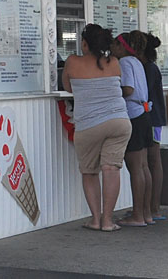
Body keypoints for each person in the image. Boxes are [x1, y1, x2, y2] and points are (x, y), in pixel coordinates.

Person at [61, 24, 132, 232]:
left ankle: (95, 220)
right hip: (120, 121)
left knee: (90, 172)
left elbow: (68, 87)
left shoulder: (73, 62)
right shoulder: (115, 62)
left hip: (89, 124)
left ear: (84, 43)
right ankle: (108, 221)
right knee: (111, 169)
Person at [110, 30, 154, 227]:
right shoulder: (137, 62)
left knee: (135, 167)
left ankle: (137, 215)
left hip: (133, 115)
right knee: (144, 166)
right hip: (144, 114)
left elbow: (128, 89)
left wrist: (108, 90)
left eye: (114, 44)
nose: (111, 48)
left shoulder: (125, 63)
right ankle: (146, 213)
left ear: (121, 47)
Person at [141, 33, 168, 220]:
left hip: (152, 119)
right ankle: (149, 207)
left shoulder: (148, 69)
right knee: (151, 161)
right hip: (153, 118)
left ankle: (153, 207)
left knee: (153, 160)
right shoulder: (148, 67)